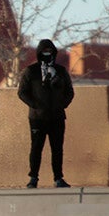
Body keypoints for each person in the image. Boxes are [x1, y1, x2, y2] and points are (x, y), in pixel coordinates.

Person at [17, 38, 74, 189]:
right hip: (37, 118)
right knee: (36, 148)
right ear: (39, 53)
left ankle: (58, 178)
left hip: (57, 116)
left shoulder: (60, 71)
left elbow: (70, 92)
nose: (47, 55)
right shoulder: (31, 71)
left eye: (50, 52)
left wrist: (61, 105)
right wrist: (35, 105)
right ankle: (33, 178)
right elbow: (22, 92)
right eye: (44, 52)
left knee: (57, 149)